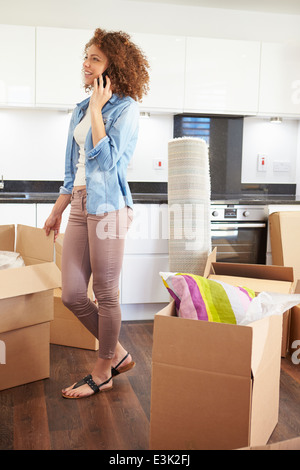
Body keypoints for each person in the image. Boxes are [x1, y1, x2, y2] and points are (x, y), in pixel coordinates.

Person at [44, 28, 150, 399]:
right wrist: (59, 208)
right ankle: (117, 353)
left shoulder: (125, 109)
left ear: (112, 67)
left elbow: (107, 161)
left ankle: (103, 369)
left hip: (108, 208)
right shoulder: (79, 108)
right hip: (78, 205)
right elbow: (71, 168)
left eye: (94, 58)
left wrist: (96, 108)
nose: (85, 64)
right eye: (85, 56)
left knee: (106, 293)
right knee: (72, 293)